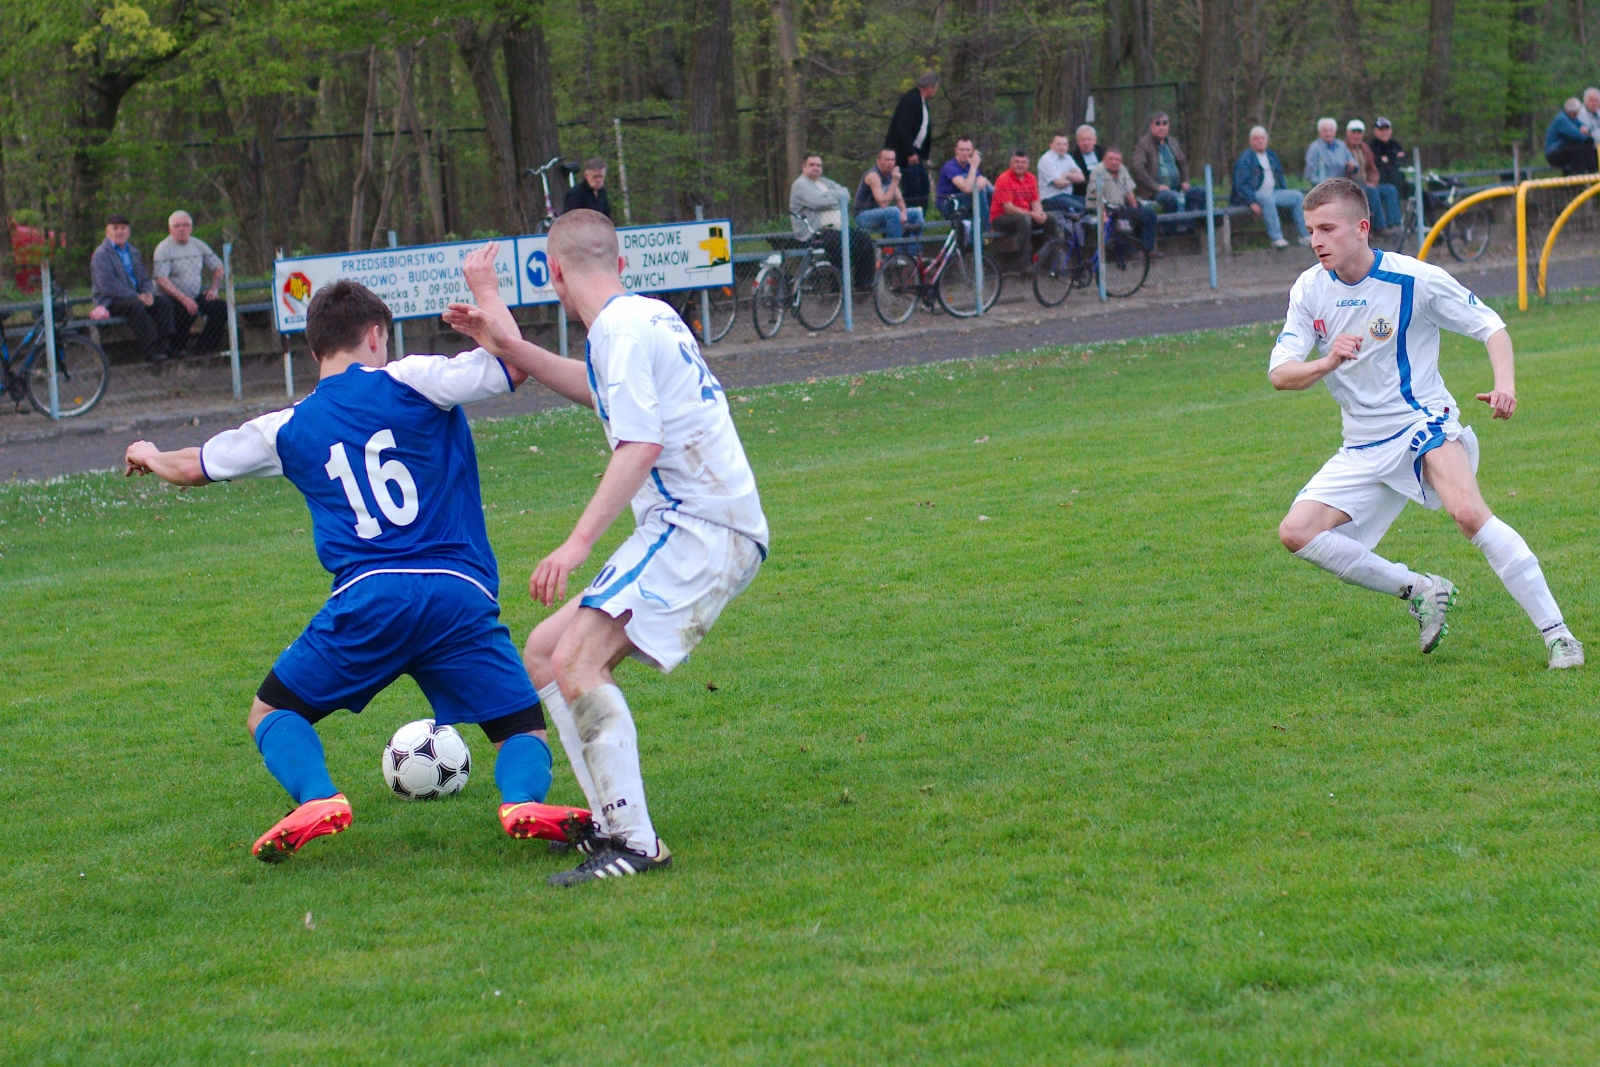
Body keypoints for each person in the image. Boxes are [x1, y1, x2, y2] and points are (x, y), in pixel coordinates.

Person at [121, 279, 592, 863]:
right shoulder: (413, 378)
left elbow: (194, 466)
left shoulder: (286, 427)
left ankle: (318, 797)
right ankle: (521, 801)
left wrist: (148, 454)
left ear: (313, 348)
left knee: (271, 713)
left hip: (369, 599)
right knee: (520, 728)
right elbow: (513, 364)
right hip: (458, 595)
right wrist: (489, 294)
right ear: (374, 335)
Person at [441, 212, 769, 886]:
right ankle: (609, 820)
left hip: (698, 525)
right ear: (619, 264)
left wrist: (575, 544)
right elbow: (596, 390)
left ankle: (635, 843)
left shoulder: (618, 329)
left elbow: (641, 444)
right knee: (545, 652)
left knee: (576, 658)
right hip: (704, 522)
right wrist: (508, 344)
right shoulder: (645, 316)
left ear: (555, 274)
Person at [1270, 177, 1582, 670]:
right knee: (1297, 532)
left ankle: (1558, 635)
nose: (1316, 241)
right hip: (1362, 443)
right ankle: (1420, 588)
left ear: (1362, 228)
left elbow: (1491, 326)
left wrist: (1505, 385)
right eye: (1310, 230)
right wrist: (1326, 362)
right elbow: (1280, 374)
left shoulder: (1414, 278)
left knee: (1468, 514)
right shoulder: (1310, 288)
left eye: (1327, 229)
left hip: (1423, 424)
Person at [90, 214, 174, 362]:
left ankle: (165, 345)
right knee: (136, 306)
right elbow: (108, 286)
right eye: (115, 228)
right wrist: (137, 296)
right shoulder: (101, 255)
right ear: (107, 232)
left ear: (128, 231)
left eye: (123, 228)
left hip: (137, 297)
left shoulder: (133, 252)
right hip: (111, 301)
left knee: (163, 303)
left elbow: (144, 278)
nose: (119, 232)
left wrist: (148, 293)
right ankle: (151, 350)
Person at [790, 154, 874, 289]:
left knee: (864, 239)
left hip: (838, 229)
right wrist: (837, 199)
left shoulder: (824, 182)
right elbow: (818, 202)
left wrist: (829, 197)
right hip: (814, 232)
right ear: (803, 167)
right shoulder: (800, 184)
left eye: (818, 165)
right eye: (812, 165)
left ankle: (864, 285)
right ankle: (838, 288)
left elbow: (846, 194)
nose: (816, 168)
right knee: (839, 244)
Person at [152, 210, 227, 357]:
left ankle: (205, 349)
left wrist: (214, 289)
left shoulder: (198, 245)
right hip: (171, 297)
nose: (181, 229)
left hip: (194, 295)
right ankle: (176, 349)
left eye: (185, 225)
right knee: (187, 310)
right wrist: (184, 299)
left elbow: (218, 267)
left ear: (191, 228)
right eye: (177, 226)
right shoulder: (163, 249)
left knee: (221, 307)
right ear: (170, 229)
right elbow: (161, 280)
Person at [1231, 126, 1309, 249]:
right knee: (1268, 199)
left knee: (1297, 196)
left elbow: (1279, 177)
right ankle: (1276, 238)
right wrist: (1251, 202)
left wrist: (1284, 191)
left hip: (1273, 192)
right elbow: (1241, 184)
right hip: (1255, 194)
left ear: (1267, 140)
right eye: (1256, 139)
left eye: (1263, 138)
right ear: (1251, 141)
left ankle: (1305, 236)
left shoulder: (1271, 155)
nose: (1260, 141)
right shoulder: (1246, 158)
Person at [1130, 111, 1207, 225]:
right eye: (1158, 124)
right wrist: (1157, 187)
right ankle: (1171, 230)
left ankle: (1195, 227)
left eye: (1164, 123)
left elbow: (1183, 162)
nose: (1161, 127)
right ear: (1151, 126)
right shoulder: (1143, 144)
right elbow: (1137, 169)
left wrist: (1185, 181)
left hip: (1178, 189)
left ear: (1168, 125)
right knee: (1170, 198)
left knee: (1201, 193)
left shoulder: (1172, 142)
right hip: (1154, 192)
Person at [1085, 147, 1159, 255]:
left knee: (1148, 214)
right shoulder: (1098, 171)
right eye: (1111, 159)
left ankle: (1147, 250)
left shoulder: (1122, 169)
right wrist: (1103, 214)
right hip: (1101, 208)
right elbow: (1097, 195)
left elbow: (1129, 192)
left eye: (1117, 159)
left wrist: (1136, 209)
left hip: (1119, 206)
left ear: (1121, 161)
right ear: (1104, 159)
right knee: (1125, 216)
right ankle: (1131, 252)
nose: (1114, 162)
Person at [885, 72, 939, 210]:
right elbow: (902, 127)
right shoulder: (911, 99)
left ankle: (919, 218)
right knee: (913, 190)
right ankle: (909, 218)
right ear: (929, 87)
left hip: (916, 153)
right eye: (935, 87)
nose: (935, 91)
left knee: (923, 187)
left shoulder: (922, 103)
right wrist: (910, 152)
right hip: (906, 154)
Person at [989, 147, 1046, 266]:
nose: (1020, 165)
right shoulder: (1004, 179)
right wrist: (1032, 214)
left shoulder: (1031, 178)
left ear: (1028, 164)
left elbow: (1035, 201)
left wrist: (1039, 214)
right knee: (1025, 221)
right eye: (1017, 162)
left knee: (1050, 220)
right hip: (1001, 218)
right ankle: (1023, 265)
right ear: (1011, 163)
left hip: (1024, 216)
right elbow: (1008, 208)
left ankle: (1046, 260)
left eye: (1023, 162)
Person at [854, 148, 924, 240]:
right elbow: (883, 204)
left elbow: (899, 199)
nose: (890, 163)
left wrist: (903, 212)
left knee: (917, 213)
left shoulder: (890, 175)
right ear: (878, 161)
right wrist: (894, 181)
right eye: (887, 160)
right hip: (863, 216)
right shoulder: (873, 176)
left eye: (892, 160)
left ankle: (913, 248)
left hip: (882, 214)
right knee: (893, 212)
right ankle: (893, 248)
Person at [1346, 119, 1400, 232]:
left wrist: (1373, 181)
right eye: (1353, 132)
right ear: (1348, 133)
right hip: (1353, 185)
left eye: (1359, 133)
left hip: (1367, 183)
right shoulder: (1343, 148)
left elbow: (1372, 169)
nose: (1356, 136)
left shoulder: (1364, 148)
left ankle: (1394, 224)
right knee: (1372, 192)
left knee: (1390, 190)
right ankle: (1379, 227)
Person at [936, 138, 991, 224]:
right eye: (962, 150)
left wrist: (983, 180)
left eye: (968, 150)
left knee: (991, 191)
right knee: (977, 189)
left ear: (972, 150)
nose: (965, 153)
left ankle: (992, 223)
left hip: (965, 201)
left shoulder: (969, 165)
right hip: (948, 203)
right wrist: (974, 167)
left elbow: (985, 183)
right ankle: (985, 227)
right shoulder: (950, 167)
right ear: (956, 150)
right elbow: (966, 188)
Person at [1545, 98, 1598, 175]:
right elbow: (1576, 136)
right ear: (1574, 111)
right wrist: (1586, 134)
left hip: (1564, 149)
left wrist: (1587, 133)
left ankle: (1592, 172)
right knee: (1579, 148)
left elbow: (1585, 129)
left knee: (1589, 147)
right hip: (1554, 153)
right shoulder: (1562, 119)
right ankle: (1579, 175)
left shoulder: (1572, 118)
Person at [1037, 133, 1087, 214]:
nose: (1062, 147)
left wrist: (1066, 175)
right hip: (1051, 198)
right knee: (1079, 208)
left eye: (1065, 144)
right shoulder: (1046, 160)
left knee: (1091, 204)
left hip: (1068, 196)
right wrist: (1073, 179)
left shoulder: (1068, 157)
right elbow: (1059, 184)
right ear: (1051, 145)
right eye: (1059, 144)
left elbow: (1081, 178)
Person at [1304, 118, 1357, 185]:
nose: (1328, 134)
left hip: (1342, 185)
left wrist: (1353, 166)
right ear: (1319, 132)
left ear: (1335, 131)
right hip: (1322, 186)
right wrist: (1323, 185)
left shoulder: (1341, 145)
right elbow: (1310, 173)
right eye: (1325, 131)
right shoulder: (1314, 148)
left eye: (1331, 130)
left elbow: (1353, 162)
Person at [1368, 118, 1408, 197]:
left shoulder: (1395, 145)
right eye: (1381, 130)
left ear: (1391, 130)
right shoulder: (1372, 146)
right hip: (1381, 180)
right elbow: (1378, 162)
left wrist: (1388, 158)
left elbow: (1404, 160)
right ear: (1375, 131)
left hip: (1399, 180)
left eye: (1387, 129)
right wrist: (1394, 157)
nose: (1384, 132)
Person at [1068, 125, 1102, 200]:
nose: (1086, 143)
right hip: (1083, 194)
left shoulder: (1103, 153)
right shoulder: (1072, 158)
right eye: (1083, 140)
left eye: (1089, 139)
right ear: (1077, 142)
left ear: (1095, 140)